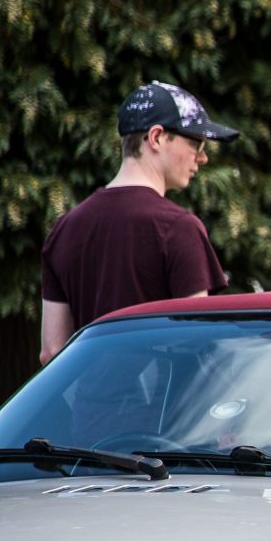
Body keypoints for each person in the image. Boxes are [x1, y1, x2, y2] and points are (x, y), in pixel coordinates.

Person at [38, 82, 236, 363]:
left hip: (88, 406)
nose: (202, 158)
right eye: (195, 143)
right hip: (158, 407)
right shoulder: (178, 228)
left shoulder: (64, 229)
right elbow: (196, 345)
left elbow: (51, 352)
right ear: (156, 137)